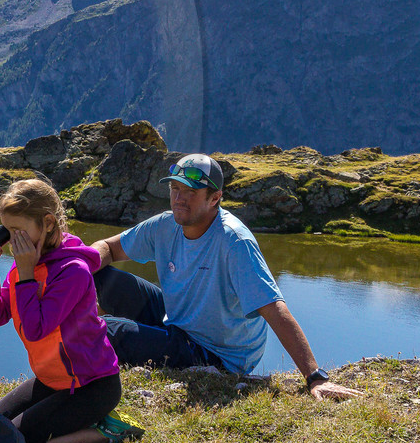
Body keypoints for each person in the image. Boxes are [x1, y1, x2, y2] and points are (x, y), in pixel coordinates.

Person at [91, 154, 364, 401]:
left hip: (216, 353)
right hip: (179, 320)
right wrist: (71, 268)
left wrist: (315, 377)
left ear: (215, 198)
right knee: (98, 275)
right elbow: (109, 248)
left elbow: (274, 309)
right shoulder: (165, 224)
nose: (179, 198)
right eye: (175, 188)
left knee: (108, 331)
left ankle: (72, 348)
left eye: (191, 191)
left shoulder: (234, 242)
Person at [0, 179, 124, 443]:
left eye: (18, 231)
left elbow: (37, 329)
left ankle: (107, 432)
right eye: (7, 232)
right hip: (52, 380)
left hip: (92, 386)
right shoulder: (27, 266)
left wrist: (26, 274)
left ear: (47, 223)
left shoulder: (73, 271)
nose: (12, 240)